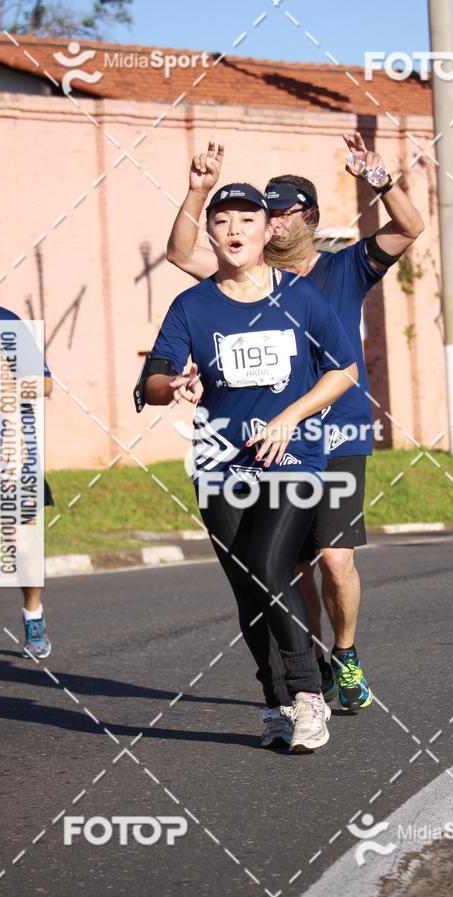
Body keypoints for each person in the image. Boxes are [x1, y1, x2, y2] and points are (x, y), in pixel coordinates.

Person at [166, 136, 424, 712]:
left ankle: (346, 654)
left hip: (339, 432)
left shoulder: (345, 267)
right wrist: (198, 191)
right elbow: (181, 253)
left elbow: (410, 227)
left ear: (309, 217)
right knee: (288, 564)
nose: (275, 222)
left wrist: (379, 179)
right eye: (270, 213)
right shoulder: (250, 275)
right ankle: (310, 664)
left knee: (335, 557)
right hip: (268, 439)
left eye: (284, 212)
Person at [142, 182, 358, 752]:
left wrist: (290, 416)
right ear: (211, 235)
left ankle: (309, 694)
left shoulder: (301, 297)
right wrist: (172, 383)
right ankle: (276, 702)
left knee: (268, 564)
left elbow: (344, 371)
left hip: (292, 455)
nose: (234, 229)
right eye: (222, 221)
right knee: (246, 588)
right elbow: (154, 378)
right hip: (219, 461)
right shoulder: (192, 306)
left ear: (266, 232)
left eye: (246, 219)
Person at [0, 244, 54, 669]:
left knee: (22, 546)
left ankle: (33, 615)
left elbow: (44, 384)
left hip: (13, 448)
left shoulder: (5, 323)